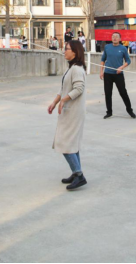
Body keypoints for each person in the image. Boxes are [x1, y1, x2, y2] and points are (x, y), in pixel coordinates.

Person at [48, 40, 88, 191]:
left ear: (75, 52)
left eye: (67, 49)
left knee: (65, 142)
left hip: (74, 112)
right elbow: (63, 89)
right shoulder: (71, 68)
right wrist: (54, 102)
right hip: (69, 111)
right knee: (71, 143)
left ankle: (79, 175)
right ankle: (76, 172)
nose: (64, 51)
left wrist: (64, 100)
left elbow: (79, 88)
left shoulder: (77, 69)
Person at [100, 33, 136, 120]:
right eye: (113, 37)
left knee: (123, 92)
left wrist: (121, 67)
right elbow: (103, 59)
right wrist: (101, 71)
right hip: (108, 74)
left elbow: (128, 61)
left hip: (118, 74)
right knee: (108, 93)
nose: (115, 38)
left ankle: (129, 110)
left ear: (120, 39)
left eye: (116, 37)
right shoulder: (107, 47)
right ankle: (109, 112)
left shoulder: (123, 48)